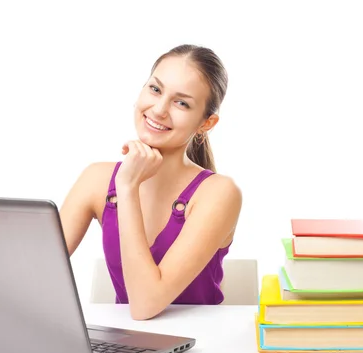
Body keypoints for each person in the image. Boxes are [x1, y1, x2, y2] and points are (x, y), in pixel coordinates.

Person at [60, 44, 242, 320]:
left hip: (201, 351)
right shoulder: (96, 179)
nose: (158, 110)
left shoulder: (219, 193)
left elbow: (145, 305)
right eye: (155, 89)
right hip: (122, 348)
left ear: (206, 123)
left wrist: (128, 186)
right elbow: (34, 275)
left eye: (181, 103)